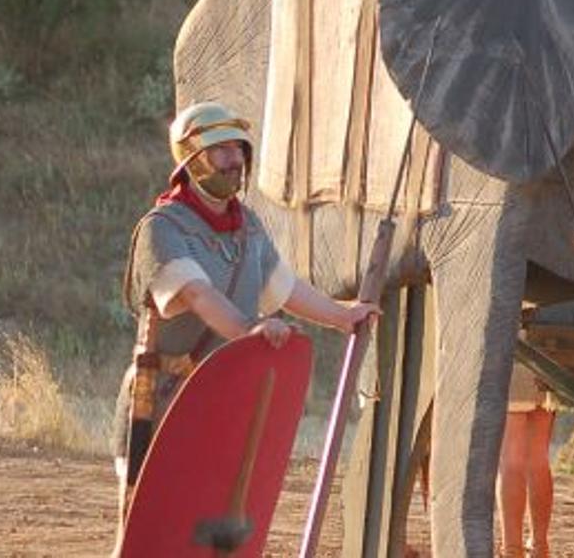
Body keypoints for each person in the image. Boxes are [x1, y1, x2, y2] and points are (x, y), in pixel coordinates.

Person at [111, 101, 378, 545]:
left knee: (214, 522)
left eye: (238, 149)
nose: (235, 160)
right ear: (193, 160)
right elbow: (197, 294)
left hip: (223, 397)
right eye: (222, 151)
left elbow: (285, 287)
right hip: (162, 404)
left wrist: (342, 316)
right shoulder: (164, 227)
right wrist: (248, 330)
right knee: (156, 531)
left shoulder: (246, 227)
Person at [497, 352, 556, 558]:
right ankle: (539, 546)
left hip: (516, 351)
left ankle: (512, 549)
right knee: (538, 458)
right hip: (549, 358)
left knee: (511, 459)